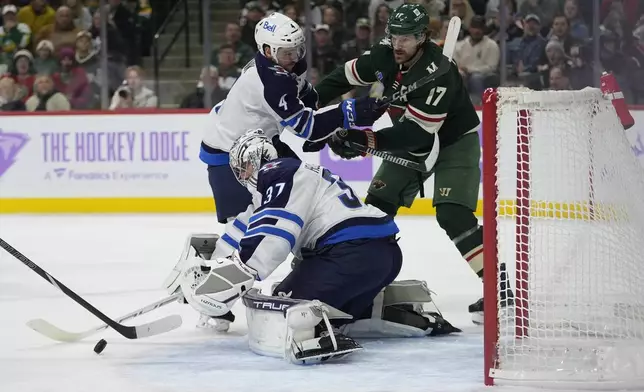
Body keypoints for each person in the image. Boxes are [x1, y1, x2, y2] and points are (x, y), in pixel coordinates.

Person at [164, 11, 385, 330]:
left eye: (298, 50)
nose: (294, 58)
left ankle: (308, 257)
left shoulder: (282, 67)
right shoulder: (270, 79)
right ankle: (212, 297)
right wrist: (349, 112)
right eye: (286, 52)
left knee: (289, 192)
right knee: (255, 219)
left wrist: (331, 126)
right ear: (267, 50)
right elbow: (306, 126)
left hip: (260, 141)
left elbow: (309, 104)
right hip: (229, 155)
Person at [174, 129, 460, 364]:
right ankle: (395, 314)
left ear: (254, 160)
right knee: (333, 309)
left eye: (243, 166)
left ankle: (315, 336)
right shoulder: (290, 176)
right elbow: (244, 228)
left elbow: (273, 233)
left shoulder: (276, 173)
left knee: (283, 302)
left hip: (349, 255)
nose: (243, 174)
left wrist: (239, 274)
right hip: (382, 255)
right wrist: (207, 269)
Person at [312, 3, 513, 323]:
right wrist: (307, 106)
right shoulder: (383, 55)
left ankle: (501, 291)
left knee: (453, 214)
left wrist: (366, 142)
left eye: (407, 38)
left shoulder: (440, 74)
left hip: (453, 142)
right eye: (394, 36)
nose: (398, 44)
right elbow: (341, 78)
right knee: (376, 209)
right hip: (409, 134)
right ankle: (362, 284)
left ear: (423, 38)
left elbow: (419, 137)